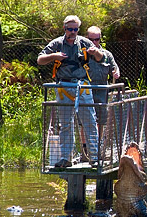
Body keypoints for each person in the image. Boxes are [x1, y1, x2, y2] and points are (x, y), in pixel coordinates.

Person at [37, 15, 104, 168]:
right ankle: (66, 158)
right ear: (64, 29)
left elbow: (101, 58)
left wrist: (95, 52)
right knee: (65, 124)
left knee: (90, 122)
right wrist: (54, 56)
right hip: (63, 87)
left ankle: (94, 157)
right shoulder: (57, 43)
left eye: (75, 29)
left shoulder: (85, 42)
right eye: (70, 29)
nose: (73, 32)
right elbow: (40, 60)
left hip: (83, 87)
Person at [81, 26, 120, 161]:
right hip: (86, 92)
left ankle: (98, 149)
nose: (94, 43)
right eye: (91, 40)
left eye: (96, 39)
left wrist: (116, 72)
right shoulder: (81, 55)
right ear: (86, 39)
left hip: (102, 92)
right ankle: (85, 152)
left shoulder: (107, 55)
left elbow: (114, 67)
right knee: (84, 122)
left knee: (101, 121)